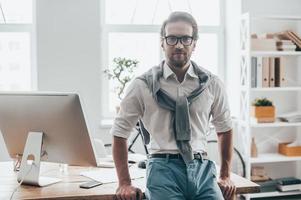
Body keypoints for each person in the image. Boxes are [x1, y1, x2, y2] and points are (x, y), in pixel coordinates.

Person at [111, 11, 236, 200]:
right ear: (162, 42)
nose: (178, 45)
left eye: (185, 39)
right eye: (172, 39)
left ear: (194, 44)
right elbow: (120, 132)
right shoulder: (142, 85)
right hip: (162, 169)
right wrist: (124, 183)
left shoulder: (212, 84)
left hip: (202, 169)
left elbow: (224, 128)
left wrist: (225, 175)